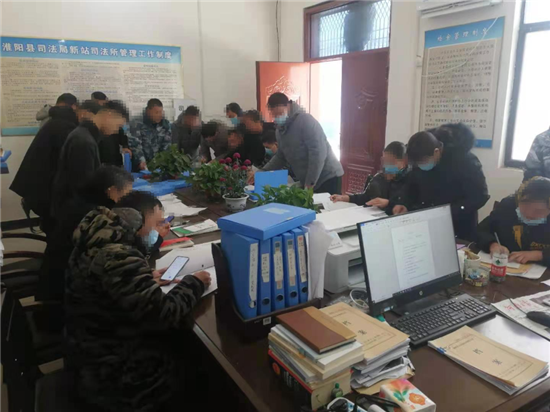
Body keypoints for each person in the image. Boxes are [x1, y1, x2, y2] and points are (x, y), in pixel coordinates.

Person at [65, 190, 212, 412]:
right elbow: (165, 314)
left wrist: (143, 277)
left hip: (88, 350)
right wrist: (194, 283)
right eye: (157, 223)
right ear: (138, 222)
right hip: (112, 374)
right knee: (200, 360)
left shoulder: (97, 238)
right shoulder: (117, 256)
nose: (160, 229)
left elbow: (108, 281)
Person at [39, 166, 134, 301]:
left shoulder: (81, 201)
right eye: (127, 194)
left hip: (60, 279)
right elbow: (117, 254)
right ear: (112, 191)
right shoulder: (95, 216)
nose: (128, 200)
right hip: (68, 293)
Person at [393, 124, 489, 240]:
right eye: (417, 164)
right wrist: (403, 202)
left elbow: (480, 196)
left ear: (436, 151)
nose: (420, 166)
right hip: (426, 222)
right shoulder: (420, 154)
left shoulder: (466, 161)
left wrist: (448, 211)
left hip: (458, 226)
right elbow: (411, 184)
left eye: (423, 162)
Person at [10, 93, 79, 234]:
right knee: (56, 232)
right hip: (45, 190)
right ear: (74, 107)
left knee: (52, 229)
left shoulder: (53, 121)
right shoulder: (65, 127)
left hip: (37, 188)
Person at [52, 100, 129, 218]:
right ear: (109, 115)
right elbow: (83, 187)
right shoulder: (84, 141)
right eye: (118, 126)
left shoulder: (85, 135)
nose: (117, 131)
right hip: (73, 214)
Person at [261, 92, 344, 194]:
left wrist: (310, 183)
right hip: (309, 181)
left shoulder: (305, 121)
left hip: (327, 177)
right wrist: (262, 172)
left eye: (280, 113)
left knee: (327, 204)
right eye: (274, 115)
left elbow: (317, 153)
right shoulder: (280, 131)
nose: (277, 118)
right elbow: (281, 156)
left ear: (288, 106)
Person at [477, 177, 550, 266]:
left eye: (538, 211)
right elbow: (481, 230)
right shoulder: (508, 206)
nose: (529, 215)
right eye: (525, 207)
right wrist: (492, 244)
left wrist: (540, 255)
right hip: (506, 264)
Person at [330, 141, 409, 213]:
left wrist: (388, 203)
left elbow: (410, 208)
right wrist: (345, 198)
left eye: (391, 162)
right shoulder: (380, 178)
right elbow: (367, 197)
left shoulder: (410, 181)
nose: (387, 166)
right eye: (385, 161)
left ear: (404, 162)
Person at [128, 98, 172, 171]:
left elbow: (167, 145)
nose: (159, 115)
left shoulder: (165, 124)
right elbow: (135, 145)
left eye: (161, 112)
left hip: (159, 165)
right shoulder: (136, 123)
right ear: (148, 111)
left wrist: (163, 162)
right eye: (156, 112)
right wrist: (141, 161)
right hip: (140, 165)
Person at [89, 92, 132, 166]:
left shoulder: (113, 127)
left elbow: (122, 135)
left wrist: (125, 146)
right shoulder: (89, 137)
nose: (116, 131)